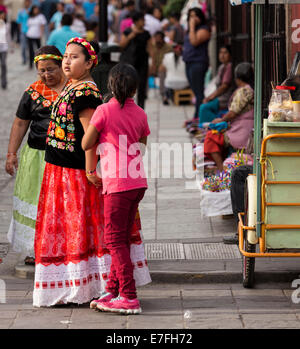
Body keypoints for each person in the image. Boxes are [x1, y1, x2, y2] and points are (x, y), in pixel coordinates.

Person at [33, 38, 151, 307]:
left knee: (102, 234)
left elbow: (90, 138)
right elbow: (141, 142)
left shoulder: (86, 94)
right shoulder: (73, 88)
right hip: (84, 172)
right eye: (66, 56)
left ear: (89, 64)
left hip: (78, 172)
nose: (66, 61)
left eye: (74, 57)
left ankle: (123, 294)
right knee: (108, 235)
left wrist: (89, 169)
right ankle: (110, 289)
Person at [82, 63, 150, 315]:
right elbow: (142, 146)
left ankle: (129, 296)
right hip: (137, 182)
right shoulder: (141, 113)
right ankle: (112, 288)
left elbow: (86, 143)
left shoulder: (103, 110)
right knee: (121, 238)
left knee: (114, 240)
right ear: (134, 89)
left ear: (110, 85)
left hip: (117, 183)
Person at [6, 46, 66, 265]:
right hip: (37, 156)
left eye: (51, 69)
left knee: (61, 202)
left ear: (61, 66)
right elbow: (21, 122)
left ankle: (64, 246)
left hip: (64, 157)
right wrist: (11, 153)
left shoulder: (73, 89)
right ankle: (35, 248)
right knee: (36, 200)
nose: (47, 75)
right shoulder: (33, 92)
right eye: (42, 71)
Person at [204, 62, 255, 172]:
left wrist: (221, 120)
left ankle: (221, 168)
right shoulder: (250, 89)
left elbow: (233, 113)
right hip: (245, 127)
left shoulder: (243, 91)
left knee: (210, 137)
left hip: (241, 131)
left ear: (237, 78)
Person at [182, 7, 210, 119]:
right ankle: (198, 115)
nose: (193, 19)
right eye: (191, 16)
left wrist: (192, 26)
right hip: (189, 62)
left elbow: (194, 42)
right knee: (194, 90)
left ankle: (198, 116)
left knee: (198, 92)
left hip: (198, 63)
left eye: (195, 16)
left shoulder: (203, 29)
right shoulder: (190, 31)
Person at [119, 11, 151, 109]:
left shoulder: (146, 34)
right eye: (142, 20)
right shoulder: (128, 31)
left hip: (142, 63)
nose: (144, 22)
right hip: (129, 62)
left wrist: (152, 63)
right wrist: (130, 36)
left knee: (141, 86)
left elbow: (149, 49)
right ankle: (126, 106)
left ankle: (141, 108)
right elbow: (121, 45)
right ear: (136, 21)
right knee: (128, 85)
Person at [198, 45, 234, 125]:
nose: (222, 55)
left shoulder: (229, 67)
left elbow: (224, 86)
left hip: (225, 98)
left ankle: (212, 126)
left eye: (225, 53)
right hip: (219, 97)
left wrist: (211, 97)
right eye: (220, 53)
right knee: (204, 105)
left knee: (204, 108)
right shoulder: (221, 67)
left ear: (230, 55)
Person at [148, 31, 173, 105]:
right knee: (144, 70)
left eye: (159, 39)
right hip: (154, 66)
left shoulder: (168, 47)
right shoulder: (152, 47)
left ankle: (164, 95)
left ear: (163, 39)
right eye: (156, 39)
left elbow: (169, 60)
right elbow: (152, 59)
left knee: (162, 71)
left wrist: (162, 65)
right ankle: (143, 93)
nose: (157, 40)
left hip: (164, 68)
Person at [17, 0, 31, 65]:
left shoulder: (32, 10)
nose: (27, 3)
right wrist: (20, 30)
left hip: (31, 31)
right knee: (23, 46)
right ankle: (24, 59)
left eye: (28, 2)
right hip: (23, 31)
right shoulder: (21, 11)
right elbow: (19, 22)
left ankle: (30, 58)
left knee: (30, 46)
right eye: (26, 2)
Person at [0, 10, 9, 89]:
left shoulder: (7, 25)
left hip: (4, 48)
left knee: (3, 64)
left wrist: (11, 46)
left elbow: (8, 36)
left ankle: (4, 81)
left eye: (4, 15)